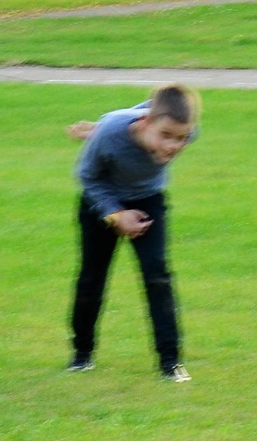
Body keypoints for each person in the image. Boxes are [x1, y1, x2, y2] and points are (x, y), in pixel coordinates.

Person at [66, 85, 200, 381]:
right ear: (144, 123)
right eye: (165, 136)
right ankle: (81, 355)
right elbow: (87, 176)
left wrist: (98, 129)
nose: (173, 146)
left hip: (147, 199)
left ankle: (170, 362)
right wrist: (115, 214)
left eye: (181, 138)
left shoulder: (185, 130)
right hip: (101, 200)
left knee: (157, 275)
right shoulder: (112, 132)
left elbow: (157, 108)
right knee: (92, 278)